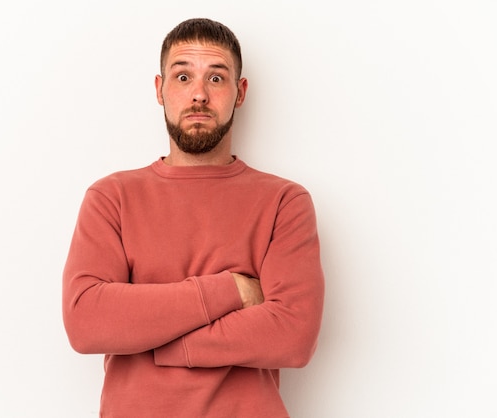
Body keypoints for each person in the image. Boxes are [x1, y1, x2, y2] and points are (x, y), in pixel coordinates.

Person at [62, 17, 325, 418]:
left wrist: (155, 339)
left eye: (216, 79)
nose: (199, 94)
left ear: (239, 92)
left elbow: (293, 336)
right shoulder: (112, 197)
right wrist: (232, 290)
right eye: (183, 77)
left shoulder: (284, 201)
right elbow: (86, 321)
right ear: (159, 89)